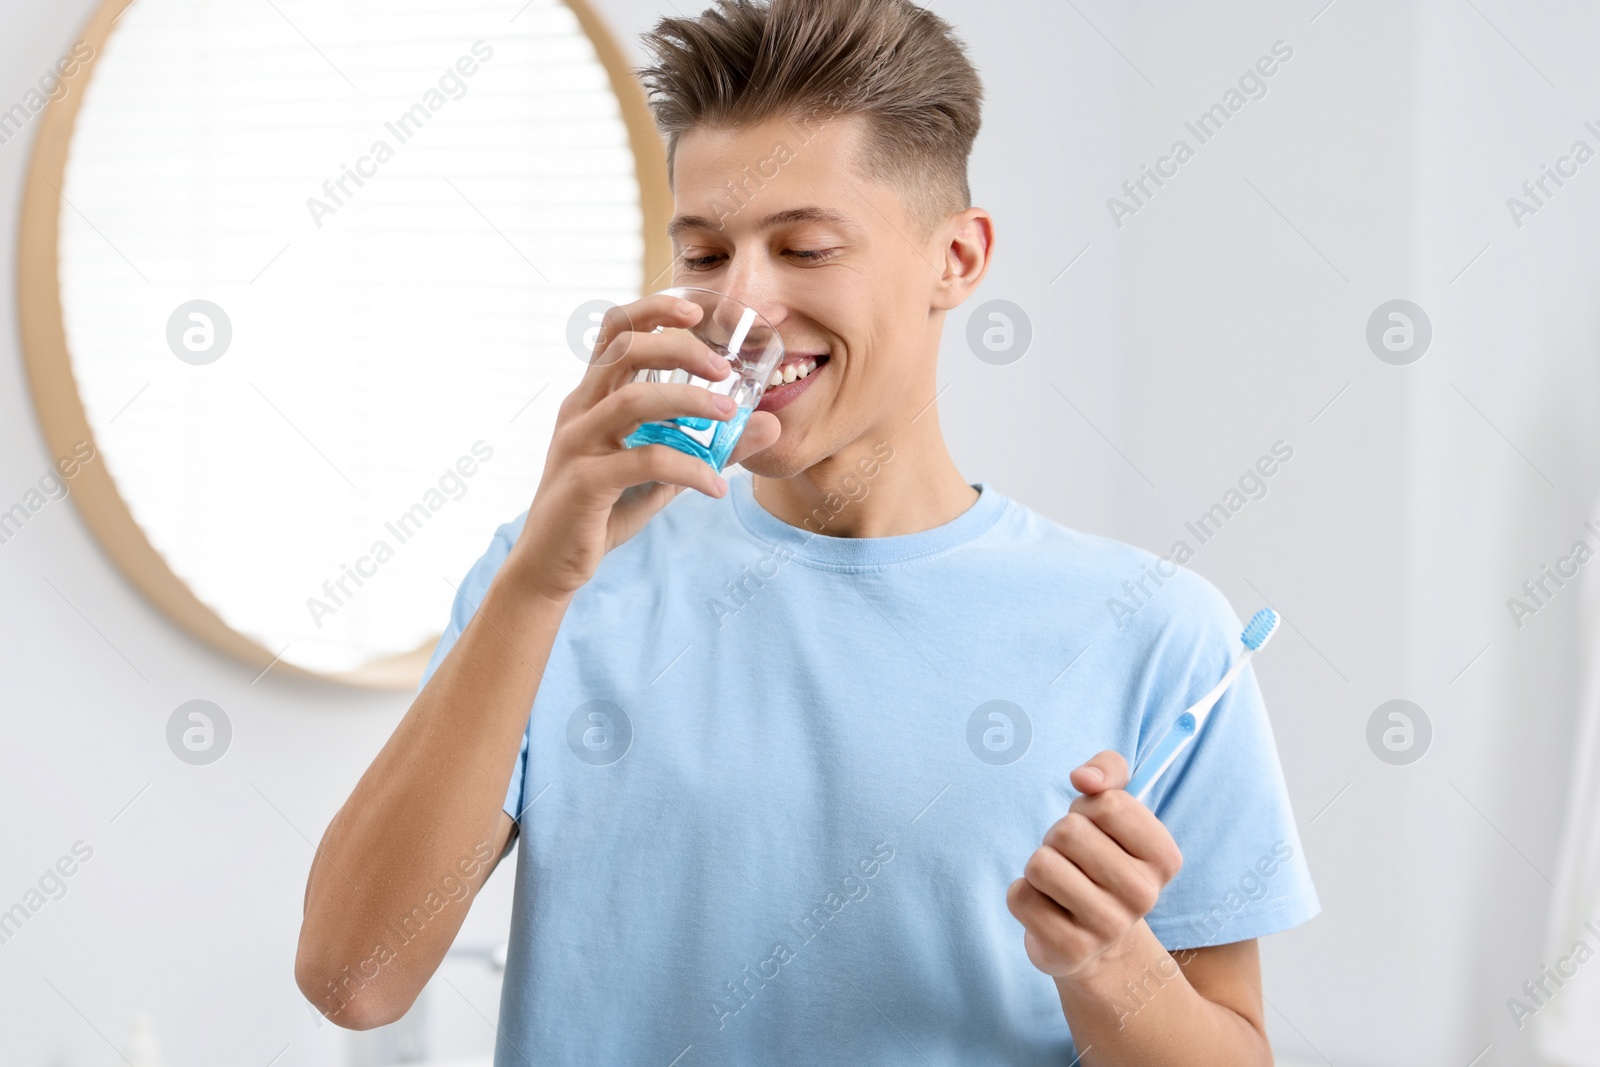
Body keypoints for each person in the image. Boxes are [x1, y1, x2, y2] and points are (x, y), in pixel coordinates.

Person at [294, 1, 1320, 1062]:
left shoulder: (1152, 634)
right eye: (702, 254)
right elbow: (352, 979)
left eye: (805, 246)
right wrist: (535, 587)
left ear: (956, 260)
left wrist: (1111, 962)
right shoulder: (562, 574)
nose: (743, 303)